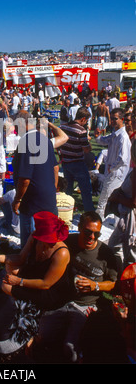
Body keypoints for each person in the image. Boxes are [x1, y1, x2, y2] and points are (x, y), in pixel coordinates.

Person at [35, 211, 118, 363]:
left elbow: (113, 283)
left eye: (96, 234)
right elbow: (43, 241)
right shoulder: (68, 242)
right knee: (42, 337)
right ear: (79, 227)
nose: (92, 237)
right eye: (87, 232)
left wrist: (95, 285)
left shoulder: (105, 254)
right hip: (63, 298)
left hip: (86, 305)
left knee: (71, 350)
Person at [0, 211, 70, 355]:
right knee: (10, 267)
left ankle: (26, 307)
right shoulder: (35, 238)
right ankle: (21, 303)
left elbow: (46, 284)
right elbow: (21, 258)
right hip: (34, 277)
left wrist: (19, 281)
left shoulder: (61, 253)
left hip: (49, 292)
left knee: (6, 285)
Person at [12, 111, 59, 248]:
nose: (15, 130)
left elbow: (25, 178)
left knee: (30, 246)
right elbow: (55, 168)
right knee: (48, 243)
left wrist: (17, 200)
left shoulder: (25, 142)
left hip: (32, 204)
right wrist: (52, 189)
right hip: (48, 199)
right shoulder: (44, 139)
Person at [95, 108, 132, 221]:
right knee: (109, 199)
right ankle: (112, 222)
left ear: (122, 119)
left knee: (104, 200)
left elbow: (123, 159)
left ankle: (98, 221)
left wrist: (112, 167)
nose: (112, 121)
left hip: (116, 174)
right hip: (112, 172)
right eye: (111, 118)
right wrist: (97, 136)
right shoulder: (115, 134)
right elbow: (103, 141)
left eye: (115, 119)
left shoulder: (123, 137)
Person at [107, 140, 136, 269]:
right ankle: (118, 275)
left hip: (131, 219)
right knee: (113, 247)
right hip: (125, 219)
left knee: (130, 256)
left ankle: (128, 283)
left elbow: (134, 202)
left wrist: (118, 197)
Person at [60, 106, 95, 212]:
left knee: (68, 189)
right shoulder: (81, 131)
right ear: (83, 119)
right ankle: (89, 212)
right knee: (86, 190)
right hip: (77, 163)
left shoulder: (64, 127)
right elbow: (86, 149)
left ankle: (65, 209)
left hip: (65, 162)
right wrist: (90, 145)